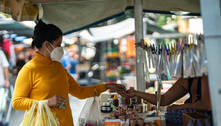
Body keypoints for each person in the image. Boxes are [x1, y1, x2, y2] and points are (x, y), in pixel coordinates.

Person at [12, 20, 126, 126]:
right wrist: (46, 103)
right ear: (47, 44)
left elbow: (79, 92)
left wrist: (107, 86)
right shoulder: (29, 69)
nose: (61, 49)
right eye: (58, 45)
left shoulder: (59, 67)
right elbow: (17, 102)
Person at [127, 75, 212, 111]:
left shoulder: (206, 77)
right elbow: (164, 100)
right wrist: (136, 93)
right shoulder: (186, 79)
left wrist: (181, 106)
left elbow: (206, 105)